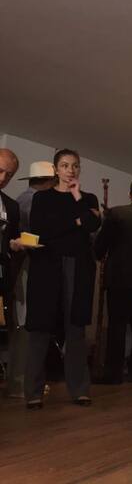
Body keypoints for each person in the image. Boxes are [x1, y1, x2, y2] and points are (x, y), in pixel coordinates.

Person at [24, 149, 101, 409]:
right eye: (65, 165)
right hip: (46, 268)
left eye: (75, 166)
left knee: (76, 329)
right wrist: (77, 221)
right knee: (40, 329)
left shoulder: (87, 197)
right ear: (56, 169)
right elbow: (41, 231)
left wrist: (77, 199)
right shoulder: (42, 198)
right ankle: (33, 392)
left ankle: (79, 390)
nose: (71, 170)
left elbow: (93, 225)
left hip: (78, 268)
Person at [94, 179, 132, 384]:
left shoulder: (116, 214)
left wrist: (98, 253)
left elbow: (101, 245)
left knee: (117, 326)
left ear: (130, 194)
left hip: (118, 278)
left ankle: (114, 373)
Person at [7, 161, 56, 398]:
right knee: (27, 323)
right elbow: (28, 238)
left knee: (24, 322)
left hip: (23, 265)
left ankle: (22, 380)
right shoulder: (34, 201)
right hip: (29, 265)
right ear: (50, 182)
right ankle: (21, 381)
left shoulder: (20, 199)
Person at [0, 149, 24, 397]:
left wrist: (14, 245)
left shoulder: (12, 206)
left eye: (8, 174)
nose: (3, 178)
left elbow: (11, 240)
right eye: (0, 171)